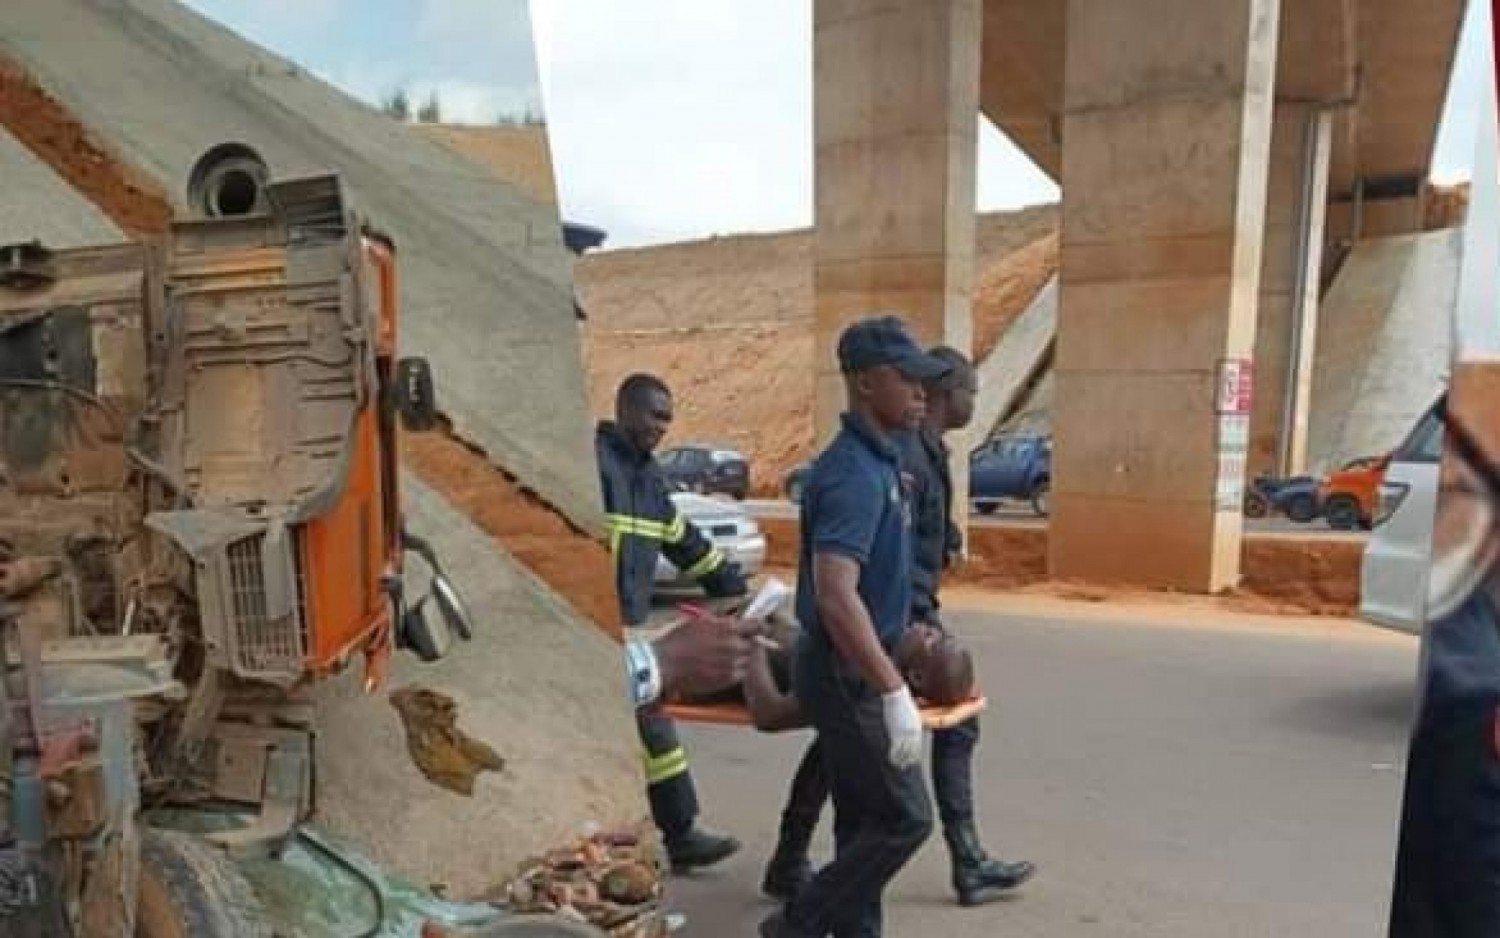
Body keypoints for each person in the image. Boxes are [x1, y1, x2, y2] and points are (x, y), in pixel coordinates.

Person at [760, 346, 1036, 907]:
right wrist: (902, 649)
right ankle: (799, 895)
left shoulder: (917, 452)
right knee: (882, 783)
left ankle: (806, 870)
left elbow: (912, 537)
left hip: (897, 617)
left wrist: (946, 550)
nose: (970, 401)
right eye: (968, 391)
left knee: (860, 756)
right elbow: (852, 577)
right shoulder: (888, 458)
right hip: (886, 622)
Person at [759, 315, 949, 938]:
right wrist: (893, 689)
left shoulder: (887, 463)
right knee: (906, 818)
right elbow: (837, 595)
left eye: (927, 382)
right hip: (846, 671)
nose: (923, 392)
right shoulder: (850, 473)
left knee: (863, 820)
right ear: (866, 383)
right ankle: (795, 925)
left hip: (855, 664)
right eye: (909, 379)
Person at [596, 373, 747, 871]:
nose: (661, 427)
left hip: (629, 627)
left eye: (667, 418)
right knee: (635, 729)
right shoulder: (595, 465)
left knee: (655, 727)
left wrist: (732, 587)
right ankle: (669, 836)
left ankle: (681, 832)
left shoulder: (649, 481)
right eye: (653, 415)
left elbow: (686, 544)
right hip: (586, 626)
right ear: (623, 408)